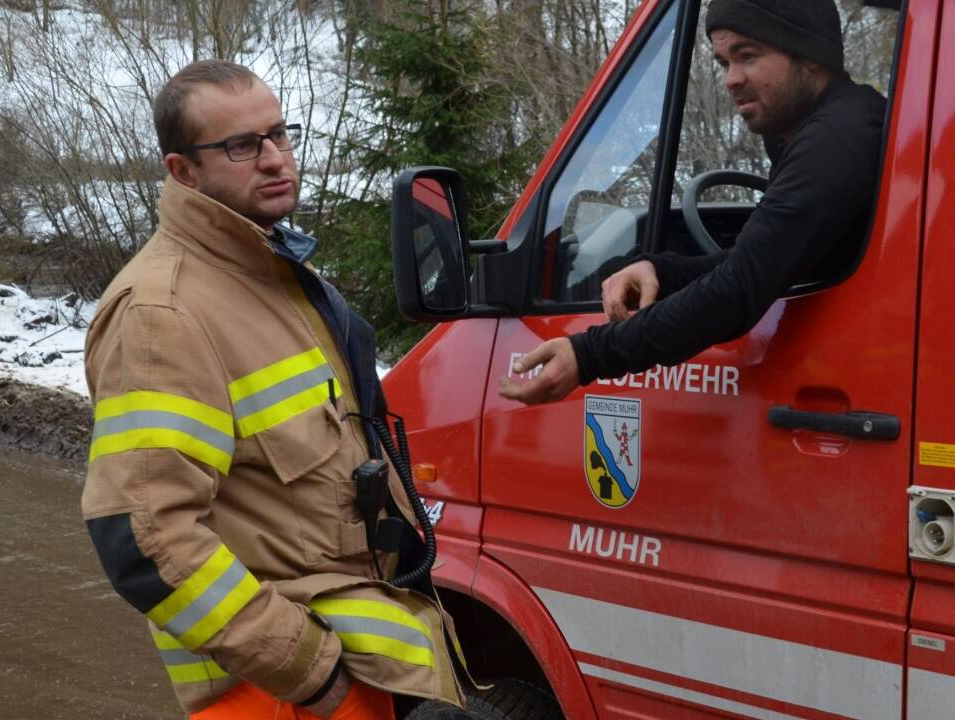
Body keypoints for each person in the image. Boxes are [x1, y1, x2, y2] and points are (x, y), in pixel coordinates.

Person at [81, 60, 468, 719]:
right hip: (281, 695)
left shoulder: (269, 272)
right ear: (183, 170)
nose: (274, 158)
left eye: (279, 134)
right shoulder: (161, 314)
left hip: (362, 669)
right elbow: (144, 534)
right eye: (240, 145)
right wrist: (308, 670)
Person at [500, 0, 886, 404]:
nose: (731, 80)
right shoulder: (831, 125)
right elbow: (762, 261)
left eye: (748, 56)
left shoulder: (839, 139)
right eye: (724, 63)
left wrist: (588, 355)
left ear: (810, 55)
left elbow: (737, 291)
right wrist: (661, 272)